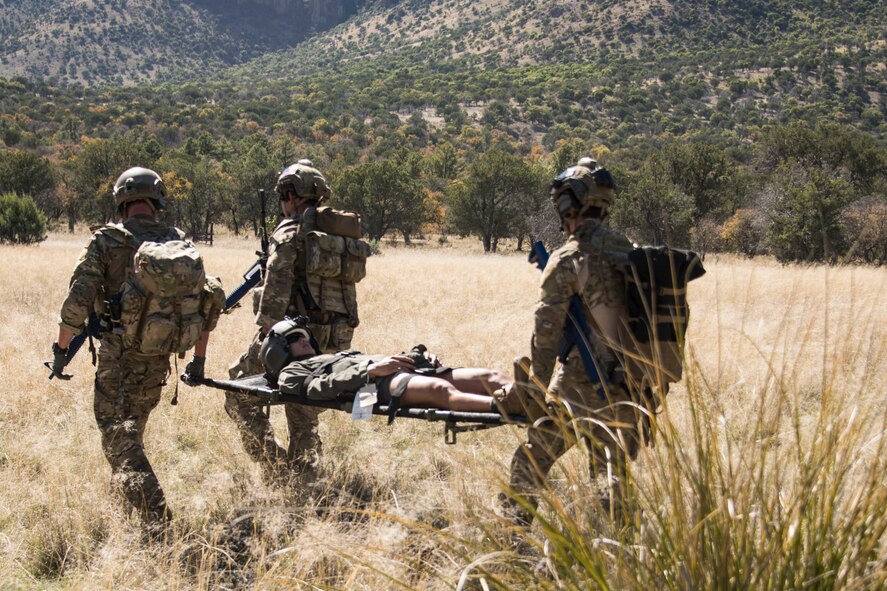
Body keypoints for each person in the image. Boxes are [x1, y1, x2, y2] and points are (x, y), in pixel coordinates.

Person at [50, 167, 224, 530]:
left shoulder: (107, 240)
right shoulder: (178, 241)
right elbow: (209, 301)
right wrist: (199, 358)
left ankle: (160, 524)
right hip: (159, 358)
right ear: (156, 199)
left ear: (122, 200)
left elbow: (78, 300)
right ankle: (125, 516)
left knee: (116, 438)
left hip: (119, 356)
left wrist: (61, 349)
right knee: (132, 433)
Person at [501, 158, 643, 527]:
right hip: (632, 383)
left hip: (583, 383)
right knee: (610, 474)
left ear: (568, 205)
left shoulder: (570, 257)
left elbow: (546, 332)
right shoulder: (630, 251)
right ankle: (623, 549)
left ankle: (509, 541)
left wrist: (534, 388)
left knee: (531, 460)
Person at [226, 160, 366, 486]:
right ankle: (306, 485)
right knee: (303, 412)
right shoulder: (337, 236)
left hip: (293, 337)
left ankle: (276, 469)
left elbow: (276, 283)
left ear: (291, 195)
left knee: (237, 392)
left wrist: (267, 333)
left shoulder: (292, 231)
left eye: (283, 195)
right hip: (334, 339)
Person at [260, 317, 515, 414]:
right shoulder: (290, 373)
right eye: (295, 339)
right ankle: (503, 405)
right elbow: (317, 389)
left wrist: (419, 357)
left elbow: (384, 362)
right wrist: (369, 371)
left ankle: (533, 395)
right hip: (369, 390)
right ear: (279, 352)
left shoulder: (333, 356)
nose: (304, 342)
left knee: (489, 375)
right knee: (438, 390)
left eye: (305, 337)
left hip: (394, 371)